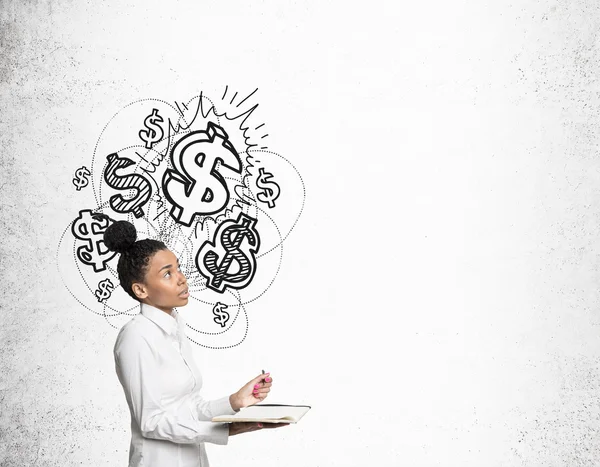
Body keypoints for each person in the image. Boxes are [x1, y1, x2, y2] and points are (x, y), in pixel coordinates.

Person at [102, 218, 287, 467]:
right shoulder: (136, 337)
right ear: (141, 290)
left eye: (178, 268)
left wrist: (235, 402)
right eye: (167, 273)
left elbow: (188, 406)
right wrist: (228, 430)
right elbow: (151, 422)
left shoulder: (175, 327)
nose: (181, 279)